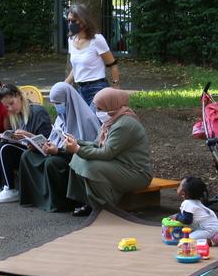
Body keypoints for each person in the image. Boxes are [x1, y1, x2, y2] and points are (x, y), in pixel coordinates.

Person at [65, 88, 153, 216]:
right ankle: (89, 203)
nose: (97, 112)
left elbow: (106, 153)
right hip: (119, 165)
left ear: (111, 105)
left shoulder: (124, 124)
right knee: (79, 159)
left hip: (137, 173)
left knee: (92, 167)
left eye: (100, 108)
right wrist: (77, 143)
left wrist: (78, 149)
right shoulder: (110, 121)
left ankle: (106, 209)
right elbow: (97, 144)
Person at [18, 82, 103, 213]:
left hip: (75, 157)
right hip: (58, 152)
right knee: (27, 155)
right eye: (54, 103)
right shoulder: (61, 117)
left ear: (68, 100)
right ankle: (35, 198)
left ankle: (61, 203)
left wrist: (58, 151)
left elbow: (87, 149)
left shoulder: (87, 119)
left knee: (52, 163)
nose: (57, 107)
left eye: (59, 103)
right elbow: (53, 139)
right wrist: (39, 144)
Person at [0, 84, 53, 204]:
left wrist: (28, 135)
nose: (10, 108)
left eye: (12, 103)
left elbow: (47, 142)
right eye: (6, 106)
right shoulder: (15, 115)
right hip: (26, 149)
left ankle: (10, 188)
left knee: (4, 148)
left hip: (39, 153)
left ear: (19, 96)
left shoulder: (37, 111)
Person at [64, 3, 120, 109]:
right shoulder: (71, 40)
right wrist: (65, 84)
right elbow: (76, 68)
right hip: (80, 90)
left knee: (93, 122)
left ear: (84, 21)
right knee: (82, 123)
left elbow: (113, 64)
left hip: (98, 89)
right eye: (68, 21)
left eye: (73, 21)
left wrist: (116, 86)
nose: (70, 24)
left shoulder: (97, 40)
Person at [172, 175, 218, 246]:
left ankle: (210, 240)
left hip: (207, 230)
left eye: (180, 185)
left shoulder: (187, 203)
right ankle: (215, 236)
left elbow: (187, 220)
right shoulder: (197, 202)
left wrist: (177, 217)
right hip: (215, 228)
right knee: (190, 233)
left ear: (183, 192)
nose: (178, 186)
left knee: (186, 240)